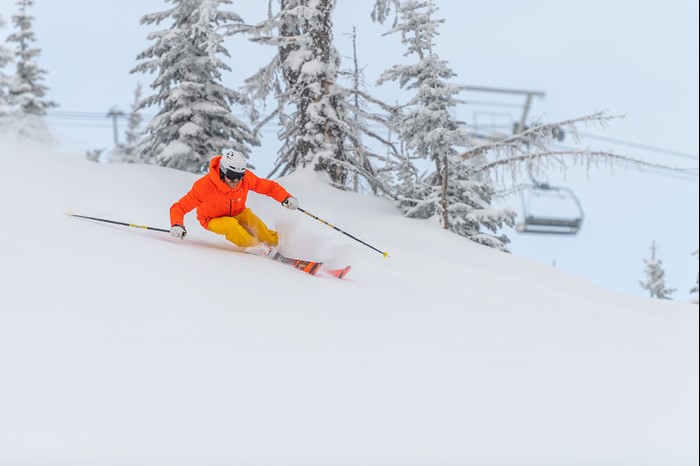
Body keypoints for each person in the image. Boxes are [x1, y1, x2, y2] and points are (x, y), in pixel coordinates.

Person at [169, 148, 299, 255]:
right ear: (222, 171)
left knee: (256, 225)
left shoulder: (245, 179)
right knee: (230, 225)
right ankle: (260, 249)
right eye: (231, 176)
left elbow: (268, 187)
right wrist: (177, 225)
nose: (236, 180)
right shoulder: (204, 186)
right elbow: (179, 207)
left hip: (238, 212)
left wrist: (285, 197)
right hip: (211, 219)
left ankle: (281, 245)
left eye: (239, 176)